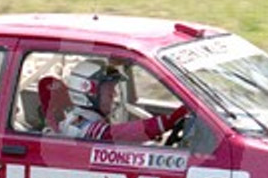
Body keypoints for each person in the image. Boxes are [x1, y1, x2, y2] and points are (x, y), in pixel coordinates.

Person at [57, 60, 187, 143]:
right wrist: (167, 122)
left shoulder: (87, 119)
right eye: (109, 90)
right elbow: (119, 134)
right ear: (87, 91)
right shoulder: (78, 125)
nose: (114, 95)